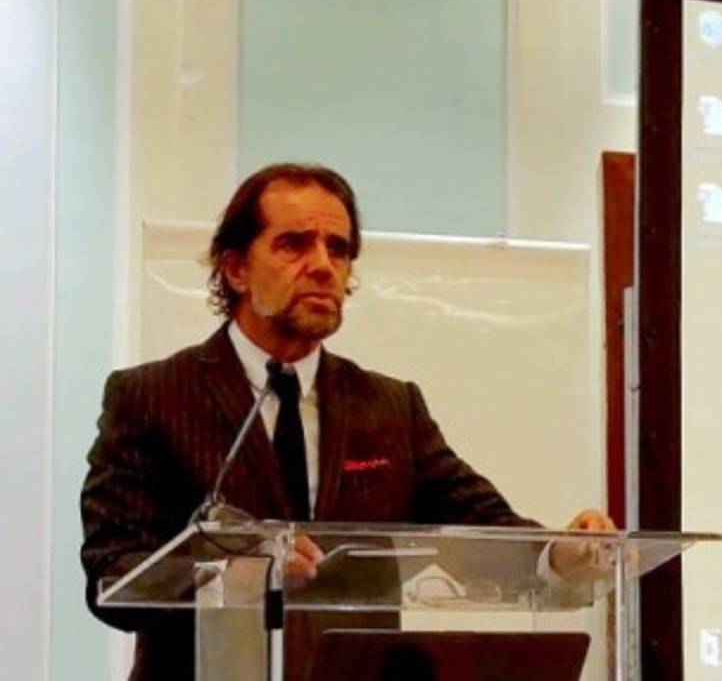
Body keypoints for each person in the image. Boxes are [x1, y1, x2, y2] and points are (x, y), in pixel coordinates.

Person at [80, 162, 615, 680]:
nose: (323, 265)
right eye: (294, 244)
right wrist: (237, 576)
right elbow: (113, 575)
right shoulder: (151, 396)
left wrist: (560, 554)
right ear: (236, 268)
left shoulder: (390, 407)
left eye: (338, 249)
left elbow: (483, 526)